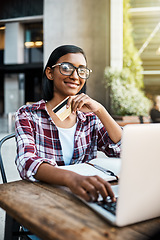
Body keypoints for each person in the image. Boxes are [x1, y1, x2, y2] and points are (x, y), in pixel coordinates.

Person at [15, 45, 122, 204]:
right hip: (42, 200)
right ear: (50, 73)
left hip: (84, 198)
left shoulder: (90, 118)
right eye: (66, 68)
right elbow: (27, 161)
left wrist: (100, 110)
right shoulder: (28, 114)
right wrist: (72, 179)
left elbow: (122, 150)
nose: (75, 76)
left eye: (82, 70)